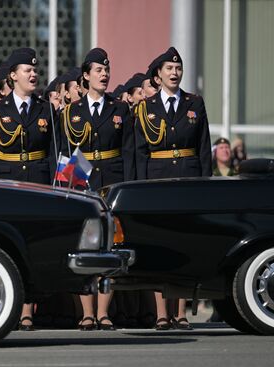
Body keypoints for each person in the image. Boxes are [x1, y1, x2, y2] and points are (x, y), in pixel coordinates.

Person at [134, 47, 212, 330]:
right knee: (159, 247)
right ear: (158, 75)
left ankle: (180, 313)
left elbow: (204, 149)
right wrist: (140, 189)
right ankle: (161, 314)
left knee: (184, 246)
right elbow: (140, 153)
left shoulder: (194, 103)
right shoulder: (146, 107)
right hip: (157, 181)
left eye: (178, 69)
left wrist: (206, 186)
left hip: (188, 180)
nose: (175, 73)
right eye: (169, 69)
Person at [60, 47, 134, 330]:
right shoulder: (71, 112)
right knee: (83, 246)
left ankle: (104, 312)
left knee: (112, 246)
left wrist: (126, 187)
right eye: (99, 71)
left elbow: (127, 151)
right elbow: (67, 153)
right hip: (83, 182)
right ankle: (86, 313)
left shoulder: (120, 108)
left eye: (107, 70)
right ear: (86, 77)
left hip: (112, 181)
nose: (105, 75)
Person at [0, 48, 58, 330]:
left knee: (32, 246)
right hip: (7, 182)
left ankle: (27, 310)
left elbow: (54, 152)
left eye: (35, 70)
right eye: (27, 70)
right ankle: (6, 306)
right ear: (13, 75)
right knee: (6, 247)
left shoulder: (45, 108)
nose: (33, 74)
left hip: (37, 181)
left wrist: (54, 187)